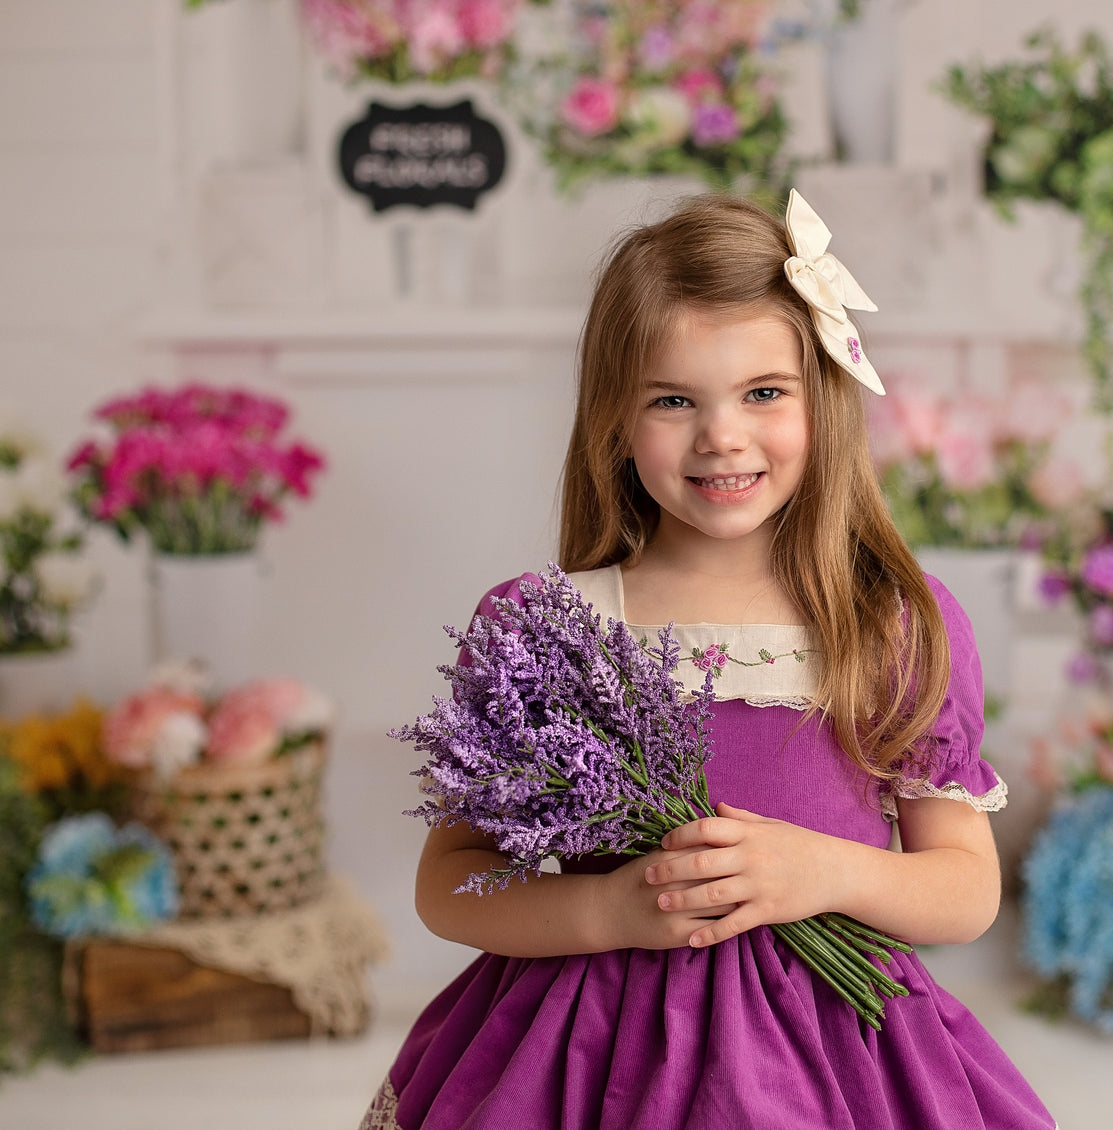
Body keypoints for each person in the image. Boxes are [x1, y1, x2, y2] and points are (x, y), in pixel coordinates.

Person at [360, 191, 1057, 1130]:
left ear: (824, 394)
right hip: (581, 1061)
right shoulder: (544, 628)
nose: (720, 435)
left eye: (764, 392)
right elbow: (451, 882)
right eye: (673, 399)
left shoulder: (890, 623)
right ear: (613, 418)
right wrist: (609, 913)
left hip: (831, 1062)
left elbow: (965, 888)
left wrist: (824, 872)